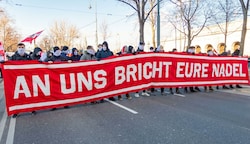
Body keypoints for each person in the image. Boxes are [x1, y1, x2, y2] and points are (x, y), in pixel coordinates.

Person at [9, 43, 34, 118]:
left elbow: (33, 64)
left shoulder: (28, 56)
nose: (21, 48)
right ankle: (16, 111)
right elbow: (9, 65)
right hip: (17, 79)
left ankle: (31, 108)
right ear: (17, 48)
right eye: (20, 47)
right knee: (17, 96)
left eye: (22, 47)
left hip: (27, 78)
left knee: (29, 93)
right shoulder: (13, 57)